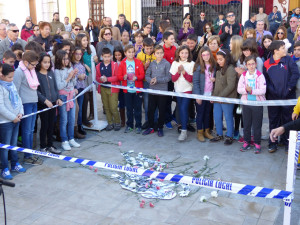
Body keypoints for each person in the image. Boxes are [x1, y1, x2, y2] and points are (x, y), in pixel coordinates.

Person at [263, 41, 300, 153]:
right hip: (273, 98)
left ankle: (288, 143)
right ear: (276, 51)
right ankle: (272, 143)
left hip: (288, 97)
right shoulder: (267, 63)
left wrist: (289, 89)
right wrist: (273, 91)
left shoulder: (288, 59)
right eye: (283, 48)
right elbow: (266, 81)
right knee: (273, 120)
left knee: (288, 120)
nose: (285, 50)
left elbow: (295, 74)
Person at [13, 51, 43, 165]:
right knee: (26, 130)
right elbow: (16, 91)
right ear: (25, 62)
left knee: (31, 129)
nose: (34, 67)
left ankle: (30, 153)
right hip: (25, 104)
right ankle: (27, 155)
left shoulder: (31, 70)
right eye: (33, 64)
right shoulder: (19, 72)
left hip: (33, 101)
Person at [0, 63, 27, 179]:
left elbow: (19, 99)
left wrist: (20, 112)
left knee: (14, 144)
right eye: (9, 77)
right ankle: (5, 168)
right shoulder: (1, 88)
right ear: (2, 76)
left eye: (12, 77)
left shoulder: (12, 85)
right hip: (5, 122)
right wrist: (12, 117)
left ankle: (15, 163)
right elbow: (1, 107)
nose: (11, 79)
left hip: (17, 118)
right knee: (5, 146)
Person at [238, 55, 266, 153]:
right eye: (249, 64)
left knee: (257, 125)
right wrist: (246, 90)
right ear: (246, 65)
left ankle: (257, 143)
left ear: (256, 64)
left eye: (253, 64)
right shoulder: (244, 75)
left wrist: (252, 91)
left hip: (257, 104)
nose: (251, 66)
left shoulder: (260, 75)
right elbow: (239, 89)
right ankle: (247, 142)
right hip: (246, 104)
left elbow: (263, 90)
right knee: (246, 124)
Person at [36, 52, 62, 154]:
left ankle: (50, 145)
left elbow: (55, 88)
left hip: (53, 103)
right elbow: (36, 91)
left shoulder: (51, 73)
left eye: (48, 62)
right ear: (40, 63)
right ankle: (43, 146)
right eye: (44, 62)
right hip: (43, 104)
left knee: (51, 124)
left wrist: (58, 98)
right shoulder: (37, 74)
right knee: (44, 125)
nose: (47, 64)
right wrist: (45, 100)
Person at [54, 50, 81, 151]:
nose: (66, 61)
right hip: (63, 97)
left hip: (71, 95)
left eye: (67, 58)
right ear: (59, 59)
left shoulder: (70, 68)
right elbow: (59, 86)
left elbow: (73, 83)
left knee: (72, 118)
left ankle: (71, 138)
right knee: (64, 119)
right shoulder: (57, 71)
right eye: (64, 59)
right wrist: (68, 77)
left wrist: (73, 77)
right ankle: (64, 140)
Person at [210, 49, 237, 145]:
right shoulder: (218, 69)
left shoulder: (230, 69)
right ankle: (219, 134)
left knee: (228, 117)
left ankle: (230, 136)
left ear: (226, 58)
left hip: (227, 99)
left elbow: (231, 86)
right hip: (218, 98)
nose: (218, 61)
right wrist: (213, 96)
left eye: (221, 59)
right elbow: (217, 85)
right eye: (217, 59)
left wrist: (220, 97)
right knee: (217, 117)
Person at [143, 45, 171, 137]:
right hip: (152, 91)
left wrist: (157, 80)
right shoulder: (152, 64)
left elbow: (168, 77)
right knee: (151, 110)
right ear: (154, 54)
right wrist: (150, 80)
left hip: (162, 92)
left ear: (163, 53)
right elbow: (147, 75)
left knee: (161, 110)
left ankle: (160, 128)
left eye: (161, 53)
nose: (159, 55)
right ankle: (151, 127)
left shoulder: (167, 64)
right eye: (157, 53)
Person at [117, 44, 145, 134]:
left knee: (138, 109)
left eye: (133, 52)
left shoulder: (138, 62)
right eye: (129, 52)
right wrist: (123, 77)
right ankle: (129, 125)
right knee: (129, 109)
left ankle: (138, 125)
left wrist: (136, 77)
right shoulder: (122, 63)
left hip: (137, 90)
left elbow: (142, 75)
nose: (131, 54)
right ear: (125, 53)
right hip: (127, 91)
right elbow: (119, 76)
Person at [170, 46, 194, 141]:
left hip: (187, 89)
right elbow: (173, 79)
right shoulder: (175, 63)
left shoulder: (191, 64)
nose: (184, 55)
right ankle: (183, 124)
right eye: (182, 53)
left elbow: (191, 79)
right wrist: (178, 72)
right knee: (181, 109)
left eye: (186, 53)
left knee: (184, 108)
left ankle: (184, 131)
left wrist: (184, 72)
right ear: (178, 53)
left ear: (189, 54)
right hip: (178, 90)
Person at [193, 46, 216, 142]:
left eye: (207, 54)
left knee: (207, 114)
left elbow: (217, 80)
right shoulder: (198, 67)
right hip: (201, 94)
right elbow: (196, 82)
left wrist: (214, 80)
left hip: (210, 94)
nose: (206, 57)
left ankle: (207, 131)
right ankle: (200, 132)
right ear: (201, 56)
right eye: (204, 55)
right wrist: (198, 96)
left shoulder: (214, 66)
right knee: (200, 114)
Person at [96, 47, 121, 131]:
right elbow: (97, 77)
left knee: (113, 107)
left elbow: (117, 77)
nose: (107, 58)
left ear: (111, 56)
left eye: (108, 56)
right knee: (106, 107)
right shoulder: (99, 66)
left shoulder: (114, 65)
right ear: (102, 56)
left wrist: (108, 79)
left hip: (112, 88)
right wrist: (100, 79)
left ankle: (117, 122)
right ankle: (110, 122)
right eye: (105, 57)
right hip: (103, 88)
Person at [75, 33, 98, 123]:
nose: (86, 42)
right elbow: (77, 61)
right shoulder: (77, 51)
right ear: (79, 41)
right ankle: (83, 118)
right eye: (84, 40)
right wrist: (85, 66)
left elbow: (94, 62)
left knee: (92, 94)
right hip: (83, 75)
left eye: (86, 40)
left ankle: (92, 113)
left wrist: (96, 61)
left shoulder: (90, 49)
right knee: (86, 96)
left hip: (91, 74)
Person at [137, 38, 156, 130]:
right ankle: (147, 121)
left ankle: (155, 121)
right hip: (145, 82)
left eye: (151, 48)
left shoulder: (156, 54)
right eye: (147, 48)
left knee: (155, 103)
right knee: (147, 103)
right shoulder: (139, 56)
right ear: (143, 47)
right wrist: (144, 67)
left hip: (155, 83)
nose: (149, 50)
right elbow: (138, 70)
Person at [71, 47, 87, 138]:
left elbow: (85, 75)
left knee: (80, 107)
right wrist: (78, 77)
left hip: (82, 88)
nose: (78, 56)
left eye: (80, 54)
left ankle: (80, 125)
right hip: (76, 88)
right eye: (76, 54)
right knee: (77, 109)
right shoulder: (72, 65)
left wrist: (83, 76)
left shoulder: (81, 64)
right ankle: (76, 126)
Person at [162, 31, 176, 129]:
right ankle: (167, 120)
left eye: (173, 38)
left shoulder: (175, 48)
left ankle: (173, 116)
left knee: (173, 99)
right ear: (165, 40)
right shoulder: (162, 51)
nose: (173, 40)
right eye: (171, 39)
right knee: (166, 100)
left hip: (174, 77)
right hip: (166, 79)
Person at [113, 47, 126, 127]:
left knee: (122, 103)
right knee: (115, 103)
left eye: (119, 55)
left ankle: (123, 121)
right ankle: (117, 119)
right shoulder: (113, 63)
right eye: (116, 55)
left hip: (123, 86)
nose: (118, 57)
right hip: (115, 86)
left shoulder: (125, 62)